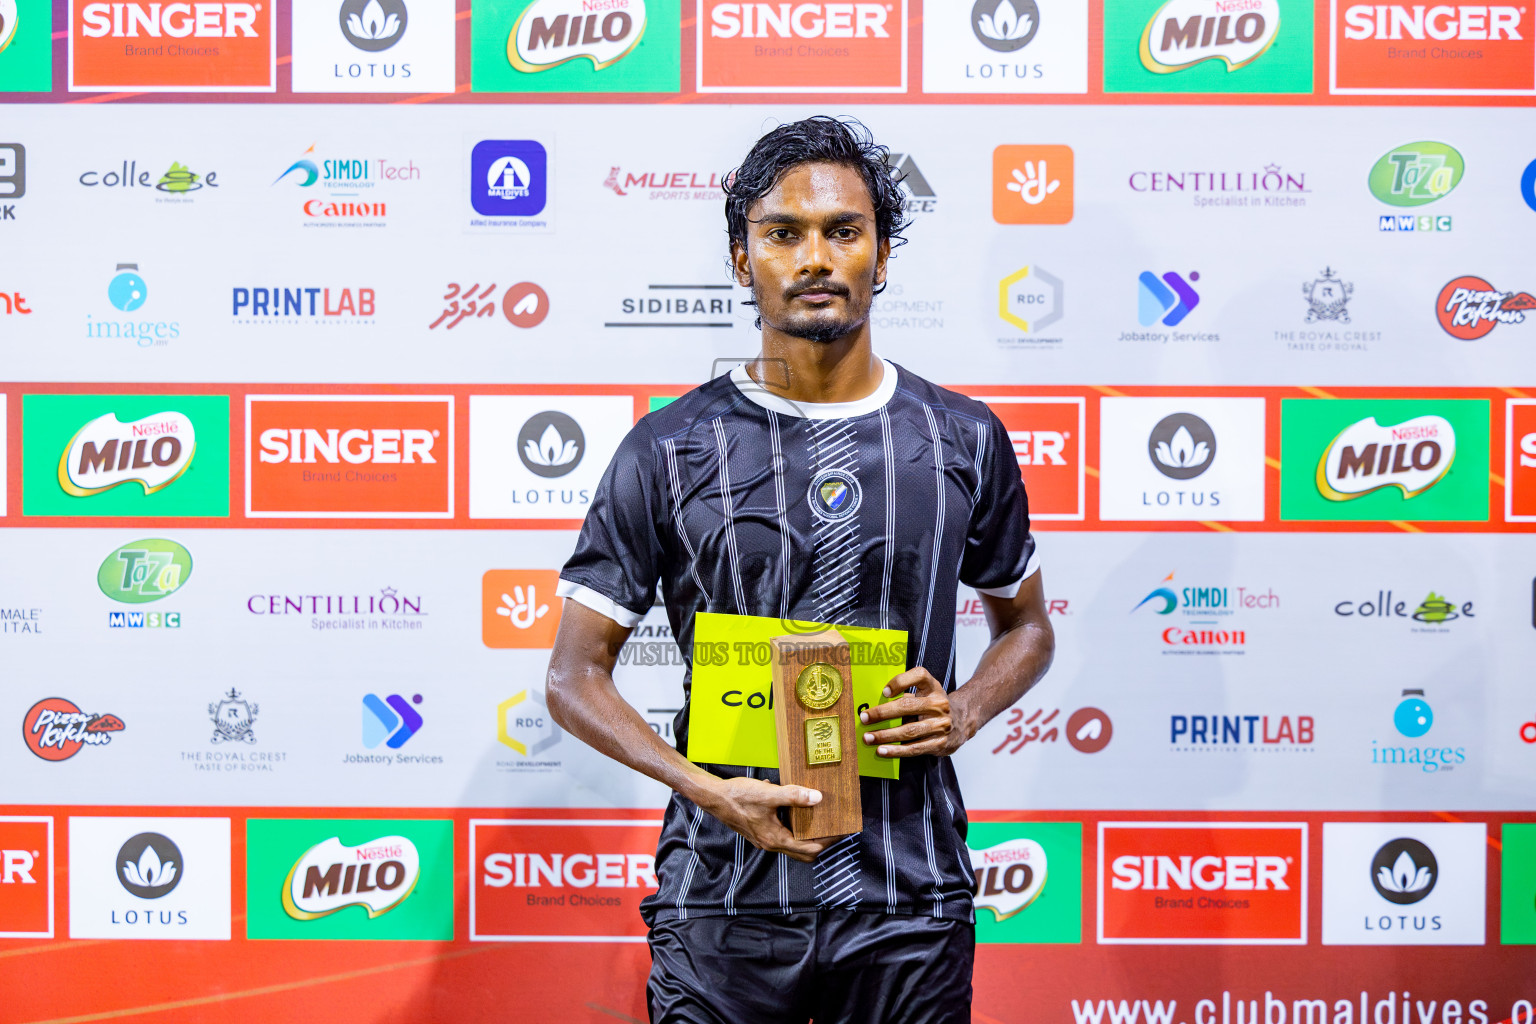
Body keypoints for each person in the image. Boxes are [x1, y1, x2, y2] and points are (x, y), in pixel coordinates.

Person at [546, 116, 1056, 1024]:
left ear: (883, 256)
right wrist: (705, 789)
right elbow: (573, 677)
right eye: (783, 233)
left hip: (909, 895)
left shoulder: (962, 437)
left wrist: (967, 708)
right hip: (722, 900)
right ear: (743, 260)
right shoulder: (668, 448)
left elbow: (1027, 628)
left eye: (843, 231)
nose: (814, 257)